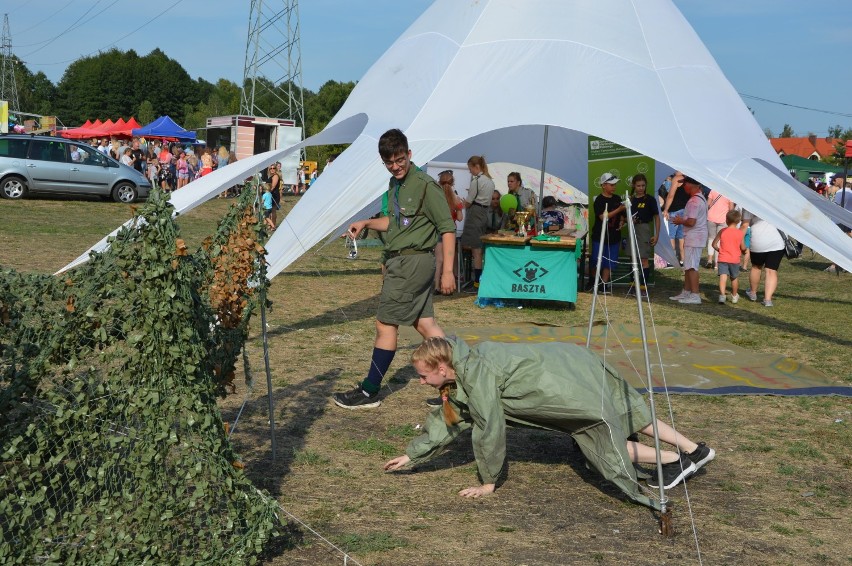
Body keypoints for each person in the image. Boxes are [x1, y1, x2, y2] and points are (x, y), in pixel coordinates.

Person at [383, 337, 715, 500]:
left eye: (424, 376)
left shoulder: (476, 377)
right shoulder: (466, 357)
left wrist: (487, 482)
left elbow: (488, 428)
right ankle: (695, 449)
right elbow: (450, 418)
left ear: (441, 368)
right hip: (572, 361)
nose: (422, 382)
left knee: (597, 438)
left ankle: (676, 460)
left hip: (562, 390)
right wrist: (413, 453)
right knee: (628, 411)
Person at [332, 128, 457, 410]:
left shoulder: (426, 185)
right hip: (404, 261)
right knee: (425, 324)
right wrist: (365, 223)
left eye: (400, 159)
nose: (396, 166)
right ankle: (458, 382)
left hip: (411, 264)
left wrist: (448, 271)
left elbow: (447, 229)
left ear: (409, 154)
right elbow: (393, 222)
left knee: (385, 324)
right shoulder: (395, 184)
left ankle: (369, 391)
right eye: (389, 162)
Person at [668, 176, 707, 305]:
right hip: (695, 237)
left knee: (691, 267)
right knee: (688, 266)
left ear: (691, 185)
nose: (683, 186)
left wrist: (680, 221)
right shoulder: (700, 198)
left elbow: (691, 221)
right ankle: (687, 291)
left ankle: (695, 294)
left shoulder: (694, 201)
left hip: (694, 237)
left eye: (684, 184)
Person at [458, 156, 495, 290]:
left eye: (470, 169)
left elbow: (468, 202)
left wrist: (462, 203)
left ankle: (477, 282)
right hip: (484, 213)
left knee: (476, 249)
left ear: (476, 167)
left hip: (475, 213)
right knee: (478, 248)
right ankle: (478, 280)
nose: (470, 172)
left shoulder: (477, 181)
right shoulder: (490, 181)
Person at [590, 172, 626, 294]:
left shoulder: (617, 198)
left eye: (615, 184)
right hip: (599, 236)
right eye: (611, 184)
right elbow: (603, 217)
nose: (614, 187)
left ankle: (604, 285)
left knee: (609, 261)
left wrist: (621, 221)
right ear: (603, 185)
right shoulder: (599, 200)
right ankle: (595, 282)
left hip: (614, 236)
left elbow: (622, 215)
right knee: (596, 260)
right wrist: (619, 209)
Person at [740, 211, 784, 307]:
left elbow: (744, 225)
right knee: (771, 271)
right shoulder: (774, 200)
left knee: (756, 267)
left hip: (758, 241)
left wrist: (739, 241)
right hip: (776, 241)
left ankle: (753, 293)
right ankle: (768, 299)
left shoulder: (748, 204)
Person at [628, 173, 660, 298]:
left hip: (644, 228)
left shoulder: (650, 199)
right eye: (638, 186)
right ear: (634, 186)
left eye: (643, 185)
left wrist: (657, 234)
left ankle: (643, 288)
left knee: (643, 259)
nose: (640, 188)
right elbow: (625, 216)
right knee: (632, 258)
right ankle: (632, 285)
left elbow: (657, 217)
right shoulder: (631, 199)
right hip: (632, 228)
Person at [435, 170, 464, 293]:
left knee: (439, 260)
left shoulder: (436, 197)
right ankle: (448, 286)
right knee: (449, 260)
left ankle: (436, 285)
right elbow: (459, 218)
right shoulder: (456, 199)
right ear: (453, 183)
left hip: (437, 229)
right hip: (450, 231)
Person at [711, 209, 746, 304]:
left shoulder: (722, 231)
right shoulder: (740, 233)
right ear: (738, 221)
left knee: (723, 277)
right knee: (734, 278)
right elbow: (743, 247)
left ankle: (722, 296)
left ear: (726, 220)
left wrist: (720, 250)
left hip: (723, 258)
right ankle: (734, 296)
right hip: (734, 259)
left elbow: (714, 244)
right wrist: (745, 250)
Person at [661, 171, 688, 266]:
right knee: (681, 237)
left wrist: (666, 209)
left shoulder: (676, 179)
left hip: (675, 210)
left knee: (671, 236)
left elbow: (671, 195)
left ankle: (671, 261)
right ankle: (683, 260)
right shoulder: (689, 179)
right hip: (686, 211)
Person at [704, 189, 734, 269]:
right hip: (723, 219)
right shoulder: (729, 193)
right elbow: (731, 209)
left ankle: (709, 260)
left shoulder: (713, 190)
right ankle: (717, 264)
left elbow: (708, 204)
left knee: (711, 238)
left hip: (711, 217)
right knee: (719, 240)